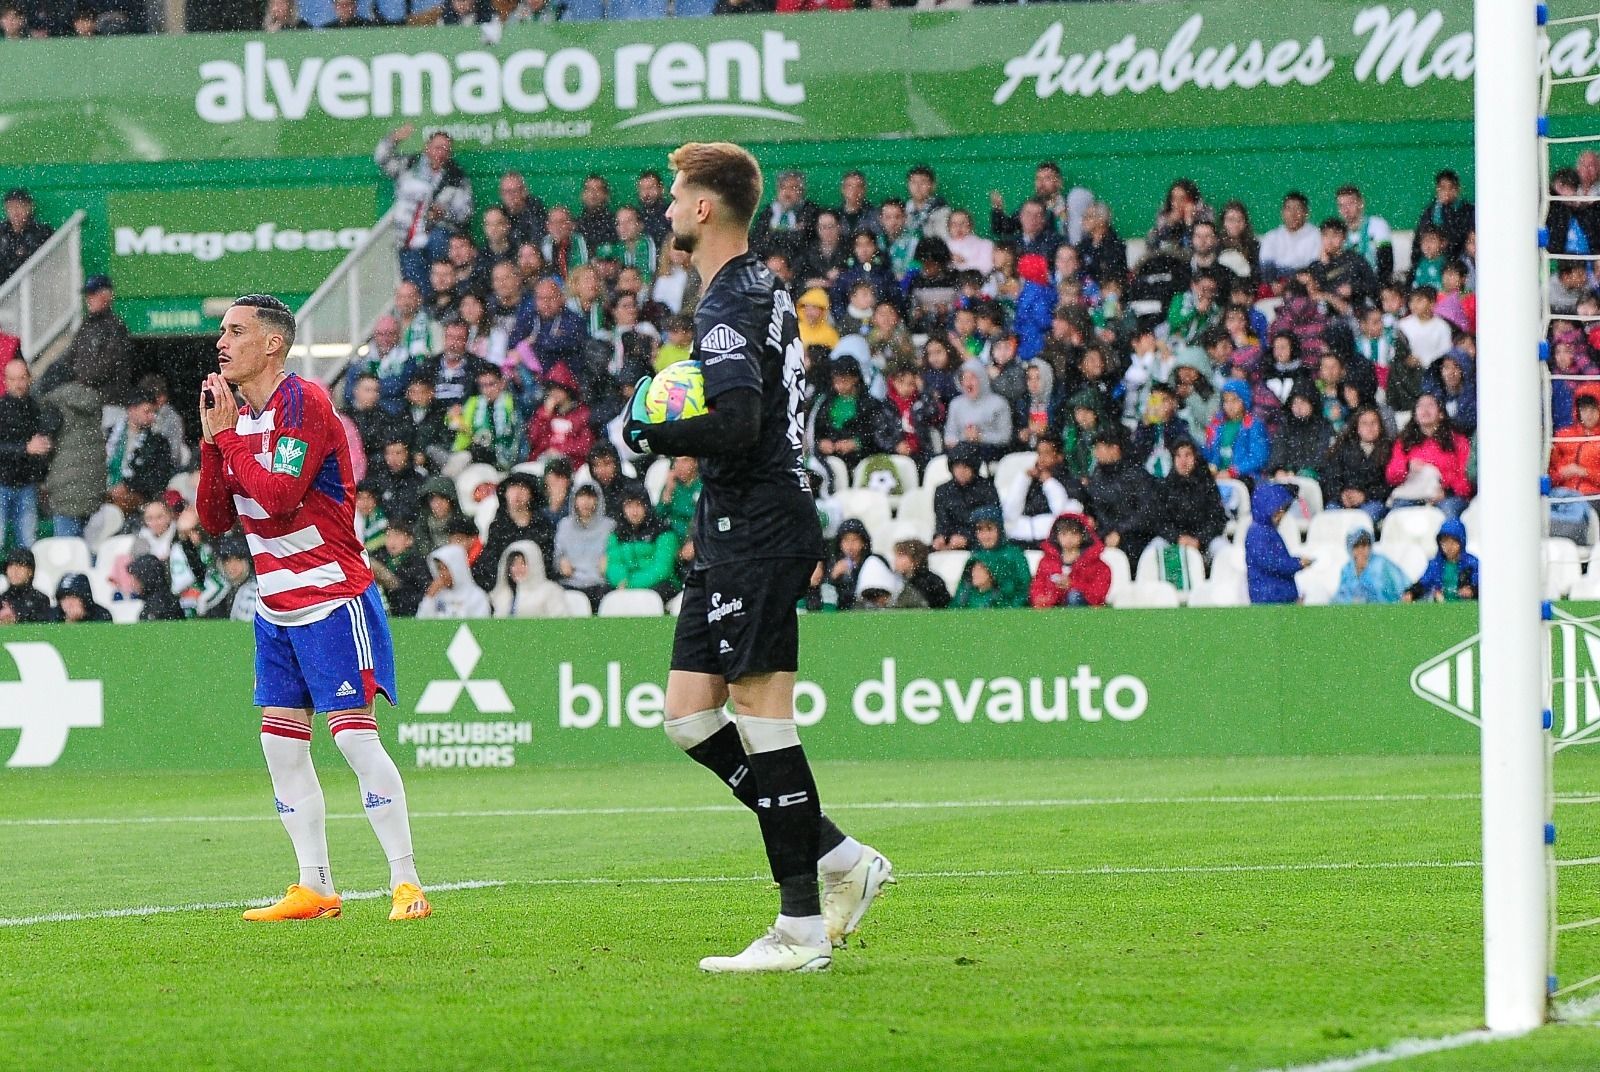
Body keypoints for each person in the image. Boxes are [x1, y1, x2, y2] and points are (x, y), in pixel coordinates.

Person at [620, 142, 890, 973]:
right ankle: (841, 857)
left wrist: (652, 432)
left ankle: (801, 928)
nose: (666, 209)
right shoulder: (761, 288)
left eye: (675, 196)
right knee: (690, 716)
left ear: (705, 209)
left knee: (764, 720)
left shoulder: (729, 301)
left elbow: (735, 424)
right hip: (737, 524)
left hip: (761, 523)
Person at [196, 294, 430, 924]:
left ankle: (406, 882)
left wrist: (230, 445)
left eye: (236, 331)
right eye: (221, 331)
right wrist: (212, 445)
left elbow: (277, 497)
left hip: (332, 595)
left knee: (353, 740)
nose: (222, 341)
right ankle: (316, 885)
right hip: (275, 607)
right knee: (281, 748)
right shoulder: (234, 419)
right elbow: (215, 517)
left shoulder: (305, 402)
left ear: (272, 343)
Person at [376, 125, 472, 290]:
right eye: (437, 147)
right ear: (427, 148)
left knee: (438, 238)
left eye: (445, 150)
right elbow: (381, 159)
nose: (440, 153)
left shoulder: (456, 177)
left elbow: (465, 213)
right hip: (408, 233)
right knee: (410, 253)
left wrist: (444, 213)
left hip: (438, 233)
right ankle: (423, 301)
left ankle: (434, 296)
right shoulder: (409, 165)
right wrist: (393, 139)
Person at [1386, 392, 1473, 518]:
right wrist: (1407, 466)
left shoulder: (1458, 441)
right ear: (1415, 415)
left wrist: (1447, 491)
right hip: (1413, 495)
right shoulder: (1404, 441)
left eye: (1430, 405)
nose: (1425, 410)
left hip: (1447, 497)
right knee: (1397, 514)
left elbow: (1466, 479)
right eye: (1420, 406)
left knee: (1448, 512)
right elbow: (1391, 475)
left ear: (1441, 414)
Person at [0, 356, 48, 549]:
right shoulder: (2, 408)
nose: (18, 384)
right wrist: (24, 449)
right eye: (13, 379)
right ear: (5, 380)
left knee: (28, 543)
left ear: (29, 378)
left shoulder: (36, 407)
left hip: (27, 484)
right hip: (3, 483)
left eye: (22, 378)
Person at [1320, 405, 1393, 527]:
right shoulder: (1342, 449)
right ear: (1357, 428)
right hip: (1341, 502)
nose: (1369, 427)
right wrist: (1341, 495)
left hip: (1373, 502)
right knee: (1330, 518)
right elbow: (1330, 479)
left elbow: (1389, 485)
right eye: (1364, 423)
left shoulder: (1389, 450)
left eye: (1373, 423)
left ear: (1380, 427)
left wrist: (1365, 496)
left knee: (1363, 519)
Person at [605, 486, 681, 601]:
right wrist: (621, 580)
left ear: (647, 507)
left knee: (659, 592)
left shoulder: (663, 531)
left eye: (638, 505)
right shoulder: (617, 534)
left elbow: (662, 569)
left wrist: (631, 584)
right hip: (624, 584)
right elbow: (614, 564)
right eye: (629, 506)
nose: (634, 512)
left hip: (658, 584)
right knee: (603, 592)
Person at [952, 505, 1030, 609]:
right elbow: (961, 596)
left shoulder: (1015, 555)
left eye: (989, 529)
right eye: (980, 529)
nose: (985, 536)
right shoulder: (975, 555)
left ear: (999, 529)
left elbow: (1023, 592)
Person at [1001, 438, 1077, 545]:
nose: (1042, 458)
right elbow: (1010, 512)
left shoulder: (1070, 482)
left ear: (1059, 457)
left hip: (1052, 541)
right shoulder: (1031, 480)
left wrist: (1049, 482)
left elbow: (1062, 513)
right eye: (1039, 453)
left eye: (1047, 453)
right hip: (1021, 538)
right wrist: (1023, 480)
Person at [1028, 511, 1110, 609]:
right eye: (1064, 534)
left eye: (1074, 533)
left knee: (1074, 596)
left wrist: (1072, 585)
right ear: (1057, 536)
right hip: (1052, 610)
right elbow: (1038, 585)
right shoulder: (1047, 562)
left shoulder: (1096, 564)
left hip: (1084, 612)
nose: (1069, 538)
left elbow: (1098, 593)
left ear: (1082, 536)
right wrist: (1042, 598)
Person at [1244, 482, 1306, 604]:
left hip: (1278, 597)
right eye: (1279, 510)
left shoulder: (1267, 531)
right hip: (1269, 600)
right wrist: (1298, 563)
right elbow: (1271, 562)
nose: (1282, 515)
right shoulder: (1258, 533)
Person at [554, 483, 612, 609]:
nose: (586, 502)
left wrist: (609, 562)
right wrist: (560, 563)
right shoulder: (564, 525)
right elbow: (558, 555)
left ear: (598, 500)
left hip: (600, 584)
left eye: (591, 497)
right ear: (574, 500)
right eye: (581, 496)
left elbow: (614, 553)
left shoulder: (609, 526)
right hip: (570, 583)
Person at [944, 358, 1013, 463]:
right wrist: (963, 439)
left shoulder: (999, 403)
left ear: (982, 378)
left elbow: (1005, 437)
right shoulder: (955, 404)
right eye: (964, 378)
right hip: (962, 457)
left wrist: (980, 437)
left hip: (992, 456)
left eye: (972, 377)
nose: (968, 383)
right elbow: (949, 434)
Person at [932, 444, 999, 551]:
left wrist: (968, 539)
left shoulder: (987, 488)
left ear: (974, 468)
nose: (961, 471)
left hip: (980, 542)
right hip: (951, 541)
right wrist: (941, 537)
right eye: (957, 467)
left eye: (965, 467)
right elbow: (942, 522)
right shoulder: (942, 490)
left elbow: (992, 523)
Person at [1202, 380, 1269, 481]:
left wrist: (1234, 471)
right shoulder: (1218, 425)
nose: (1229, 405)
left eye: (1235, 400)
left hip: (1246, 479)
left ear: (1244, 401)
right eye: (1226, 401)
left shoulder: (1253, 425)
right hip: (1220, 477)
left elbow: (1258, 458)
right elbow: (1211, 454)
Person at [1405, 518, 1478, 602]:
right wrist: (1411, 592)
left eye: (1453, 542)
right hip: (1442, 609)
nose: (1449, 546)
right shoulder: (1436, 564)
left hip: (1467, 609)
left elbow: (1484, 587)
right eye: (1445, 542)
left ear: (1461, 542)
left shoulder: (1472, 564)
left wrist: (1472, 591)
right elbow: (1424, 583)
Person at [489, 540, 568, 618]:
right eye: (513, 564)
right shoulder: (499, 594)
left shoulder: (551, 591)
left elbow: (561, 624)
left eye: (523, 563)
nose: (518, 568)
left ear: (534, 564)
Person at [370, 516, 430, 619]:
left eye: (397, 536)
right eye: (388, 536)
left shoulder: (417, 562)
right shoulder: (381, 557)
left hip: (409, 615)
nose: (392, 541)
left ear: (409, 540)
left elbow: (423, 592)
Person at [1332, 529, 1408, 605]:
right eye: (1356, 546)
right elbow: (1341, 596)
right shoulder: (1347, 569)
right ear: (1350, 548)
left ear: (1370, 546)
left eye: (1364, 545)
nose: (1360, 550)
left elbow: (1399, 586)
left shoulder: (1381, 563)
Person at [1258, 191, 1320, 285]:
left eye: (1298, 208)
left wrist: (1289, 282)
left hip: (1303, 286)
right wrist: (1274, 283)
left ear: (1306, 212)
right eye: (1288, 208)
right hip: (1274, 285)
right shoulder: (1271, 237)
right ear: (1282, 213)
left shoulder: (1316, 235)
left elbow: (1315, 267)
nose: (1292, 213)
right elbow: (1266, 267)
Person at [417, 543, 490, 619]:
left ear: (457, 567)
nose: (442, 573)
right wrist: (429, 597)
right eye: (439, 568)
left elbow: (480, 626)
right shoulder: (437, 595)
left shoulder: (476, 596)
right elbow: (420, 625)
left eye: (446, 568)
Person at [0, 187, 52, 283]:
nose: (15, 212)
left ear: (29, 207)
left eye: (19, 206)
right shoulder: (2, 231)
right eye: (11, 207)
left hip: (32, 286)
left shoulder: (41, 232)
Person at [890, 538, 949, 609]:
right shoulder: (902, 579)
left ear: (915, 559)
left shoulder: (925, 582)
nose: (896, 560)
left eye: (901, 556)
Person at [0, 547, 49, 623]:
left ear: (30, 571)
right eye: (10, 566)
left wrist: (16, 618)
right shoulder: (2, 599)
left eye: (20, 566)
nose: (14, 571)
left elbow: (42, 627)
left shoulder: (40, 600)